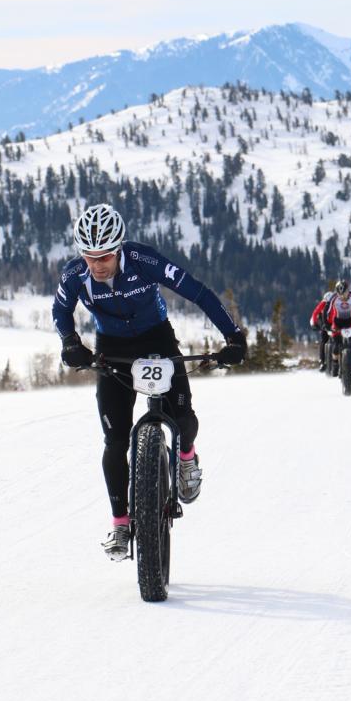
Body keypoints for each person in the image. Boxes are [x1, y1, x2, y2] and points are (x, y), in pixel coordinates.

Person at [53, 203, 247, 560]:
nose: (97, 265)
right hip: (112, 348)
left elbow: (198, 292)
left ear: (120, 248)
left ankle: (186, 457)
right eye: (90, 256)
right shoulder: (74, 275)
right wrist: (70, 342)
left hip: (157, 339)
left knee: (183, 416)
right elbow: (61, 311)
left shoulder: (145, 260)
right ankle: (121, 524)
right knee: (114, 441)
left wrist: (233, 336)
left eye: (106, 257)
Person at [310, 279, 351, 373]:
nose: (342, 296)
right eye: (339, 294)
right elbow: (325, 311)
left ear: (348, 291)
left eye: (344, 294)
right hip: (337, 323)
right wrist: (325, 324)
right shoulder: (333, 298)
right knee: (336, 344)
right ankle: (335, 364)